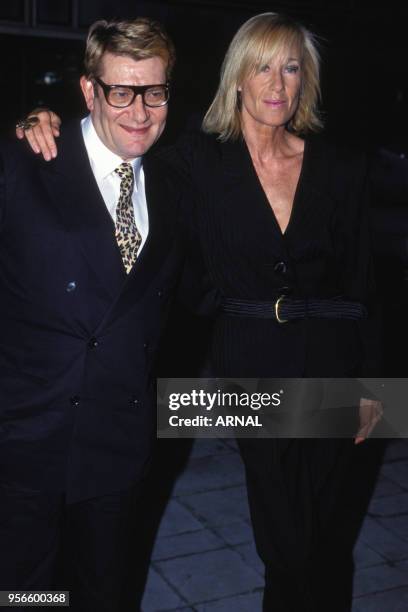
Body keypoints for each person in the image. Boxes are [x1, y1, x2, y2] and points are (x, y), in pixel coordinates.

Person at [17, 12, 383, 612]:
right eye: (262, 66)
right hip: (249, 363)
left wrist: (373, 382)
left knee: (327, 540)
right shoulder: (193, 159)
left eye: (291, 67)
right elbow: (114, 138)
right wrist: (41, 115)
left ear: (306, 79)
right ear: (236, 76)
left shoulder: (342, 166)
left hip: (337, 363)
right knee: (286, 541)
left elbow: (366, 283)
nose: (277, 83)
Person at [0, 17, 189, 612]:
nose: (139, 111)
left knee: (105, 596)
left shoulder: (175, 181)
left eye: (154, 91)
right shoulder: (23, 163)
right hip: (26, 444)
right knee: (31, 597)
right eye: (121, 91)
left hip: (117, 448)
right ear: (88, 91)